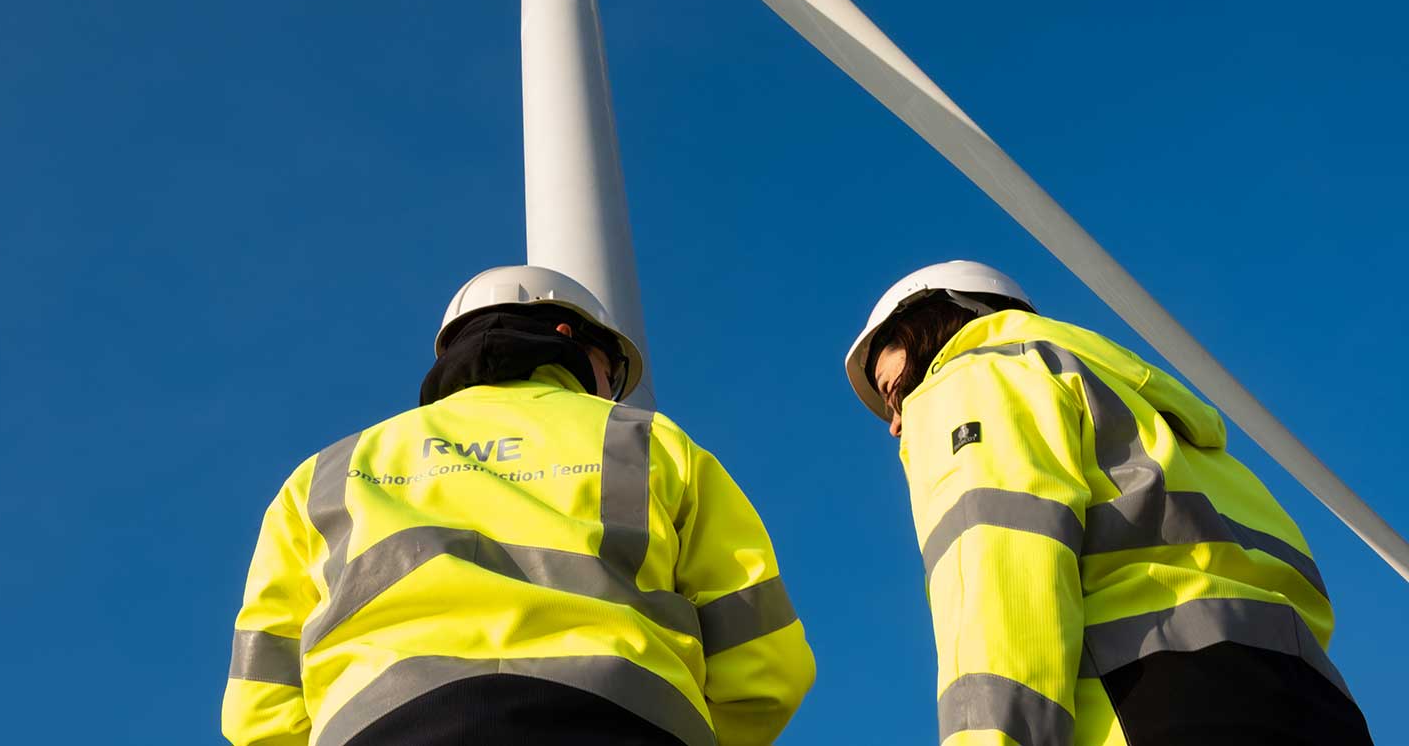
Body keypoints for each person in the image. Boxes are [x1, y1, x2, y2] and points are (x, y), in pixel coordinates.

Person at [225, 265, 814, 746]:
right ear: (569, 339)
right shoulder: (648, 442)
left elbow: (260, 702)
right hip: (620, 726)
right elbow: (766, 665)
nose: (610, 390)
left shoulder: (329, 471)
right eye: (613, 370)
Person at [843, 260, 1373, 746]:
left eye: (896, 393)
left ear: (935, 322)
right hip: (1318, 706)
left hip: (1153, 705)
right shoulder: (1158, 422)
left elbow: (999, 573)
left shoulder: (969, 377)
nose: (896, 423)